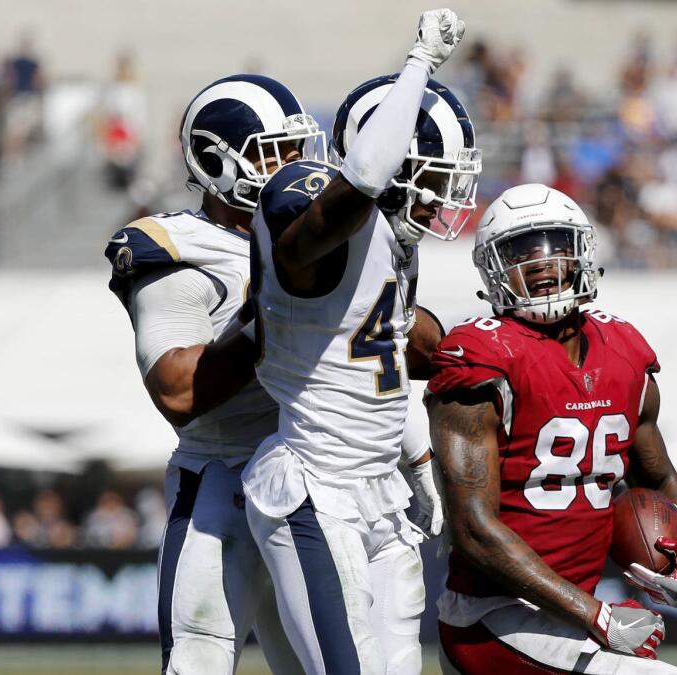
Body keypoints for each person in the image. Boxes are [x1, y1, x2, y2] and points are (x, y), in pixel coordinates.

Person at [241, 9, 472, 674]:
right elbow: (361, 182)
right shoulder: (317, 214)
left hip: (380, 493)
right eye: (429, 174)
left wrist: (422, 465)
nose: (440, 196)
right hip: (314, 487)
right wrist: (420, 62)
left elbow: (380, 366)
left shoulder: (396, 243)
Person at [426, 183, 677, 674]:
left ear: (583, 251)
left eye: (554, 245)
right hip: (494, 618)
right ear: (491, 270)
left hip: (570, 617)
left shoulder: (623, 349)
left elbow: (658, 477)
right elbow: (473, 530)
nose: (540, 263)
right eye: (519, 251)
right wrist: (598, 616)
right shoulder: (481, 357)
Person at [102, 73, 324, 674]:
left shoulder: (327, 239)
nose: (295, 169)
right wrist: (277, 317)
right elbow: (176, 390)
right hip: (223, 480)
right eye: (277, 154)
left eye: (301, 151)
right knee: (199, 663)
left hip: (320, 479)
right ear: (214, 160)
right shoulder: (179, 246)